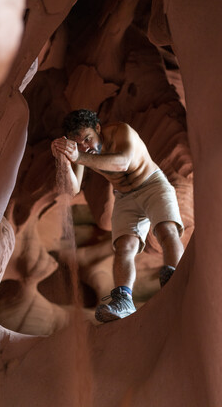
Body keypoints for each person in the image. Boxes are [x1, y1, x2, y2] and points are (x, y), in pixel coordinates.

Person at [51, 109, 184, 323]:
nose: (85, 146)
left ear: (98, 128)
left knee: (165, 230)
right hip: (124, 196)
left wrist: (78, 156)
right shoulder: (82, 152)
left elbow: (123, 163)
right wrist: (65, 161)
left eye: (88, 138)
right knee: (124, 247)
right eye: (79, 143)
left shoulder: (121, 131)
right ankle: (124, 301)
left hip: (152, 184)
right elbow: (72, 189)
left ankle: (178, 280)